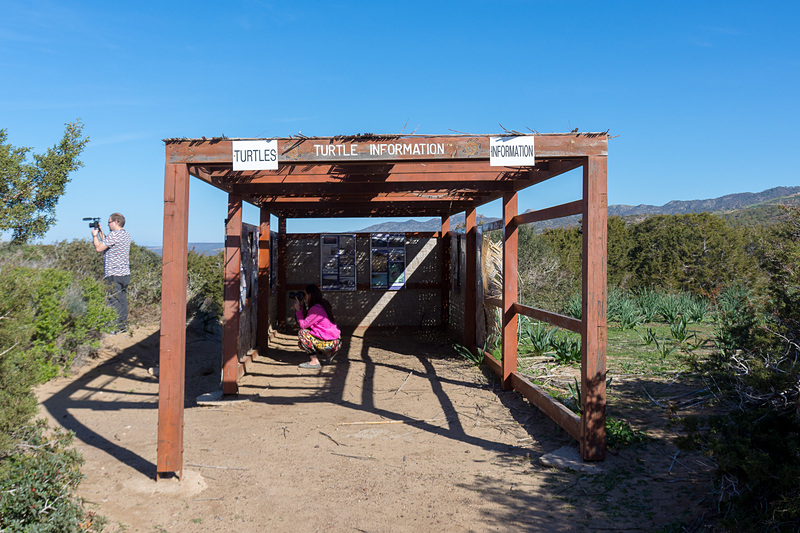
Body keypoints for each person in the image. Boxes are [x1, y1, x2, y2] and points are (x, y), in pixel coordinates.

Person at [92, 212, 131, 333]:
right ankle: (122, 325)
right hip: (124, 273)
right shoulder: (125, 234)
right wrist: (100, 232)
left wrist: (94, 236)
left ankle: (116, 327)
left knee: (113, 301)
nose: (108, 224)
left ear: (116, 222)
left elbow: (99, 248)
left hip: (114, 273)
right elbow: (107, 243)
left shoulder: (114, 235)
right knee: (122, 300)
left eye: (109, 222)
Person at [293, 284, 341, 369]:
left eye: (305, 295)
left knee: (302, 333)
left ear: (310, 295)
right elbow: (309, 320)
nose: (304, 297)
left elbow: (303, 325)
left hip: (329, 343)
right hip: (336, 342)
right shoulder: (323, 304)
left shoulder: (316, 309)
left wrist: (297, 310)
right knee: (306, 338)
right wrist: (302, 305)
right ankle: (329, 354)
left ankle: (314, 361)